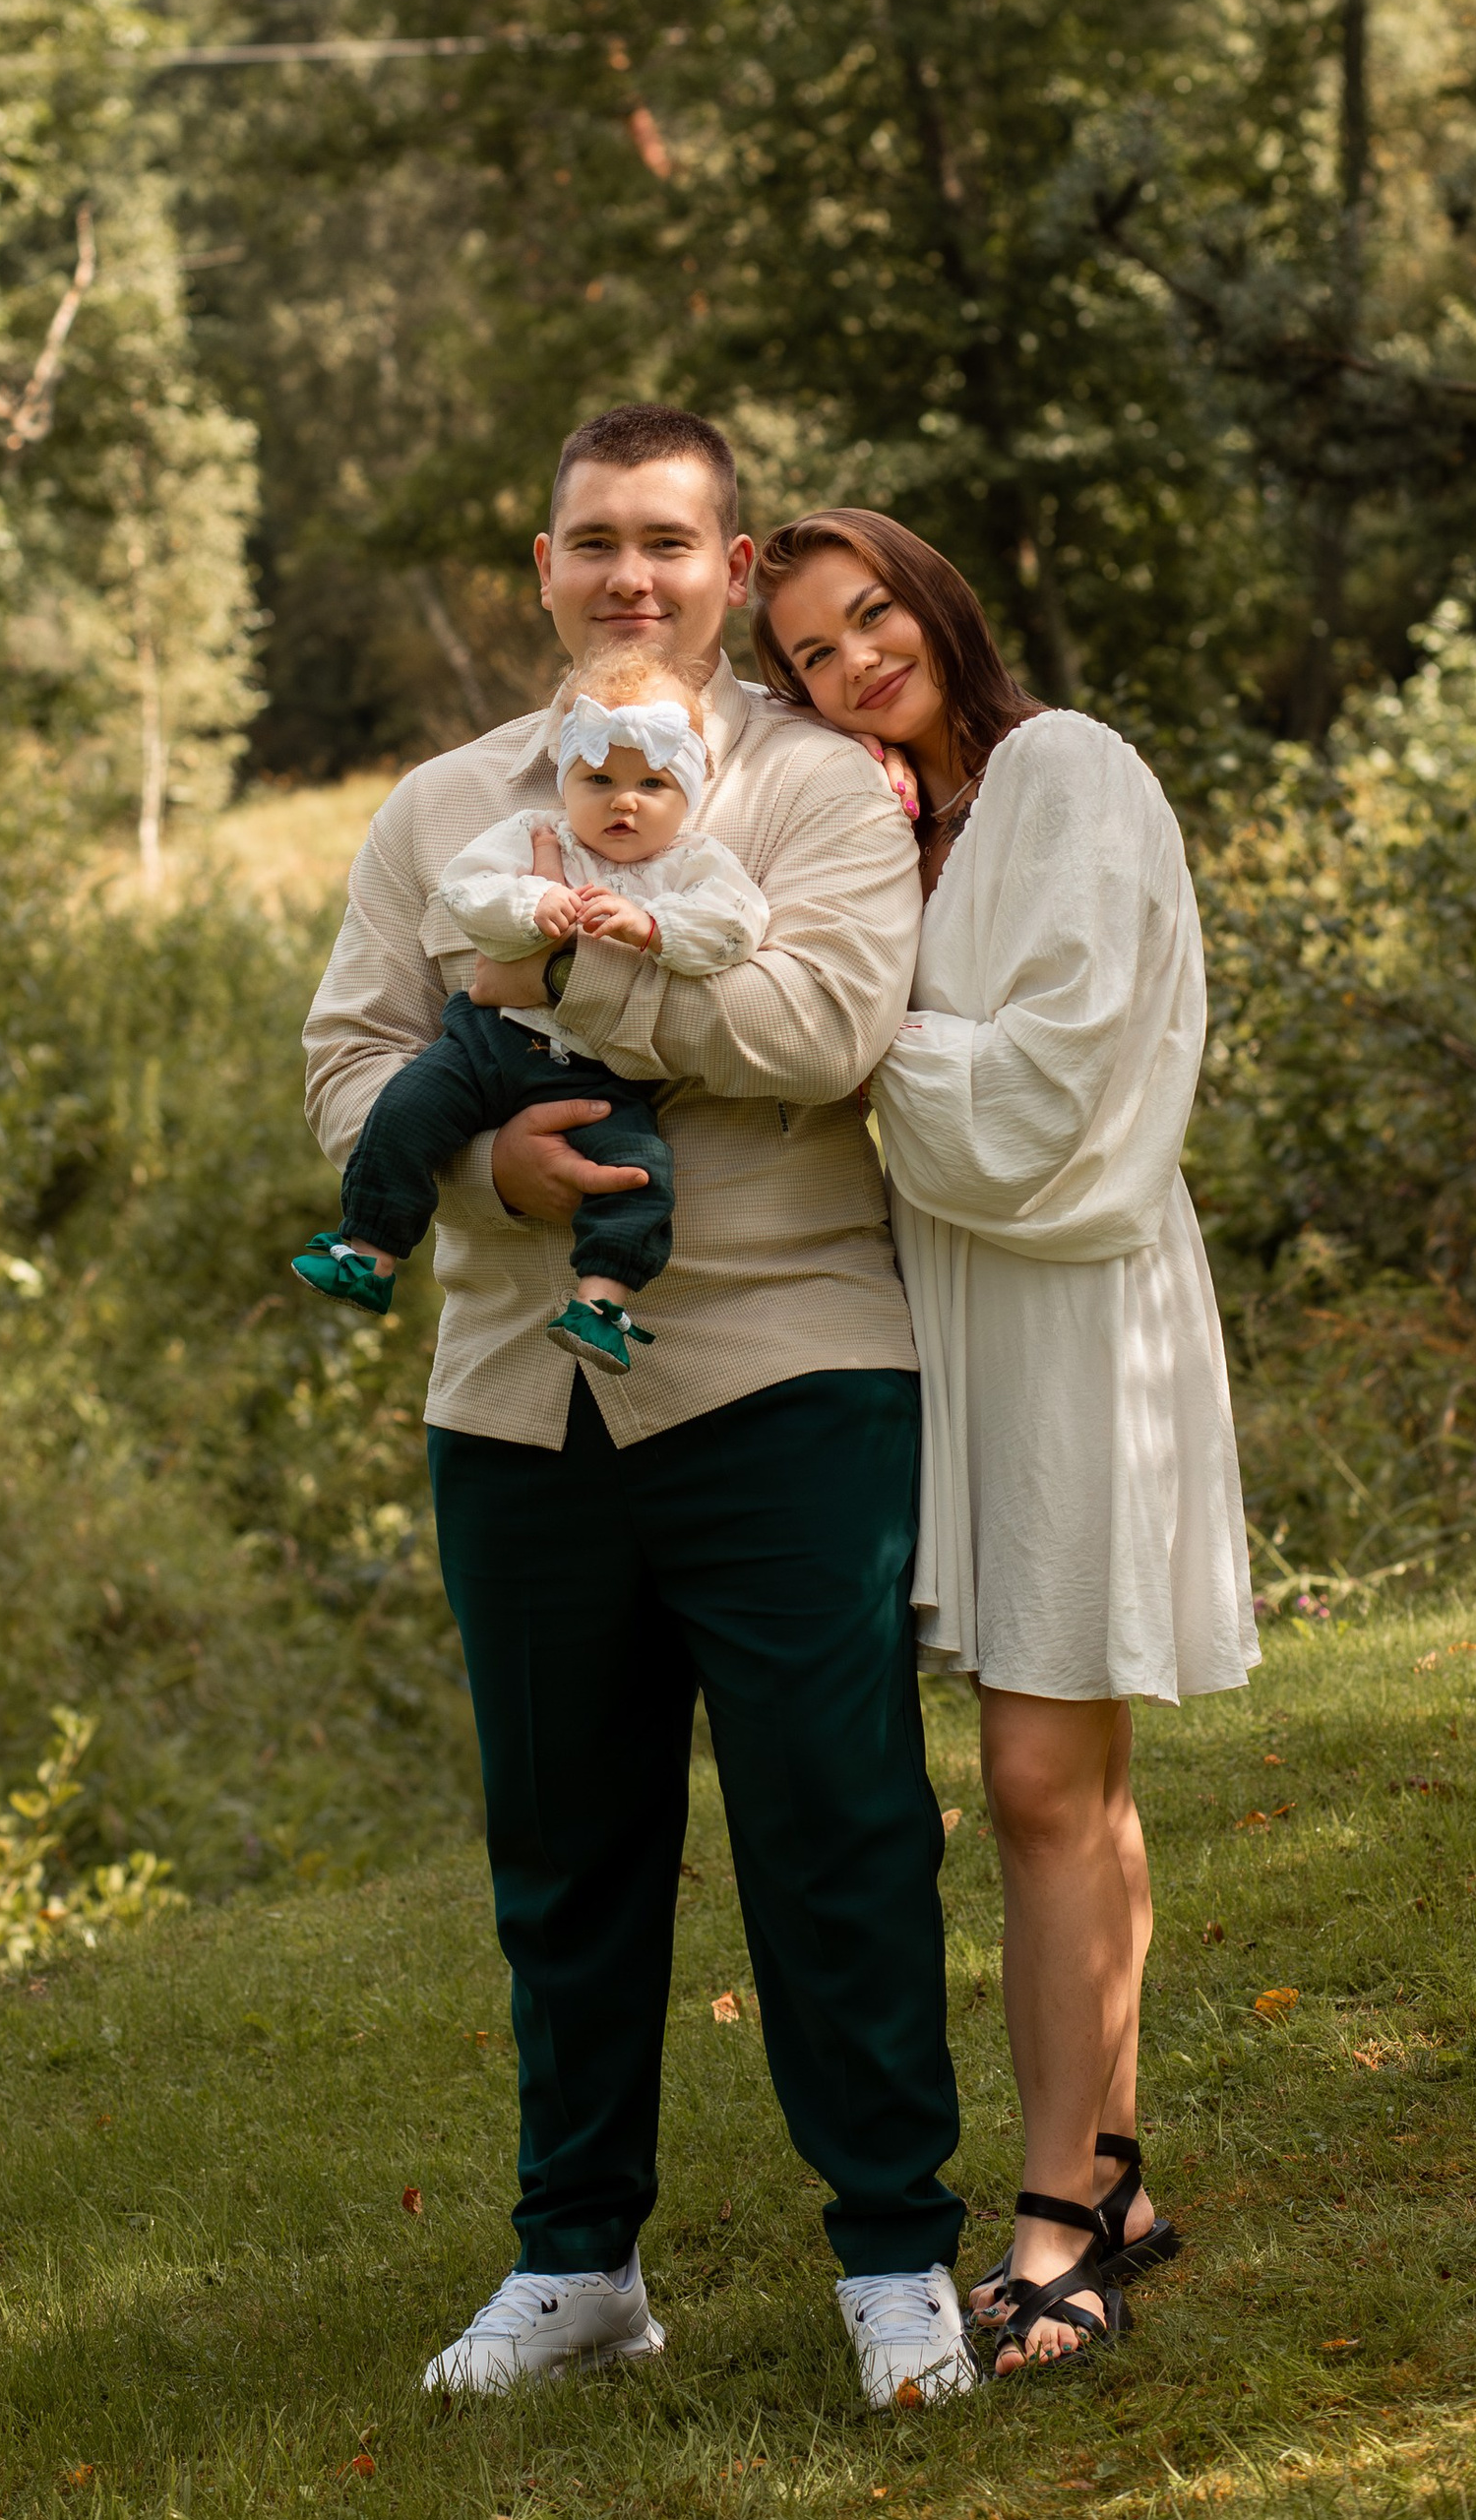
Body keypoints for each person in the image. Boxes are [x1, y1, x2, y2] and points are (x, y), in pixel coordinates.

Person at [302, 409, 978, 2409]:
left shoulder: (818, 789)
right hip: (512, 1399)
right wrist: (479, 1161)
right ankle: (576, 2262)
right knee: (564, 1855)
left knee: (832, 1828)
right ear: (541, 563)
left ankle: (892, 2260)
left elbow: (821, 1028)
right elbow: (351, 1057)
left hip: (785, 1370)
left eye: (669, 541)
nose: (632, 576)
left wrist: (540, 1001)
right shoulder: (441, 807)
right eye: (593, 540)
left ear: (727, 553)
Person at [756, 510, 1257, 2377]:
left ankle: (1060, 2217)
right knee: (1063, 1780)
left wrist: (859, 1034)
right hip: (953, 1317)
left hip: (1070, 1311)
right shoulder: (907, 827)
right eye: (809, 653)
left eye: (871, 614)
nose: (855, 661)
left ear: (935, 600)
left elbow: (1048, 1104)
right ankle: (1109, 2178)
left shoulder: (1066, 775)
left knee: (1047, 1779)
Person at [288, 643, 769, 1373]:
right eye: (599, 778)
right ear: (566, 777)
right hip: (489, 1042)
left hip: (602, 1074)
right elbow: (467, 890)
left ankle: (601, 1302)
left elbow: (737, 925)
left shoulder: (695, 865)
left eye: (653, 783)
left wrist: (654, 927)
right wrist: (531, 903)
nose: (624, 800)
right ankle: (369, 1251)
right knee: (406, 1111)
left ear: (689, 792)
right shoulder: (532, 836)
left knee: (641, 1176)